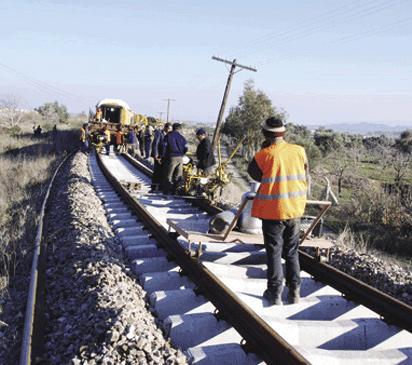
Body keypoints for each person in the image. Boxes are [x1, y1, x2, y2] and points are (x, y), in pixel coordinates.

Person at [247, 117, 308, 305]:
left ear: (265, 134)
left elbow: (254, 175)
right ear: (283, 133)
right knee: (291, 251)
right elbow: (306, 174)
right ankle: (295, 292)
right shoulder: (299, 151)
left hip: (273, 211)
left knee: (274, 251)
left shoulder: (264, 155)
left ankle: (275, 293)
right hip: (295, 209)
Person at [163, 122, 187, 195]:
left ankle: (166, 192)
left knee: (168, 175)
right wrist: (182, 154)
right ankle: (174, 191)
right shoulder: (182, 137)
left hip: (171, 157)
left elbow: (164, 146)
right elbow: (186, 148)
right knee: (178, 176)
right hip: (180, 158)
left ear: (173, 128)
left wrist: (163, 156)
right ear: (179, 129)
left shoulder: (168, 136)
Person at [151, 122, 172, 191]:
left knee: (163, 172)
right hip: (159, 156)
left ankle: (160, 187)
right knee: (157, 171)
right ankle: (154, 187)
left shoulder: (169, 135)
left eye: (170, 129)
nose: (169, 130)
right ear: (165, 128)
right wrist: (156, 155)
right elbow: (155, 144)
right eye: (168, 129)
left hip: (165, 156)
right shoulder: (159, 133)